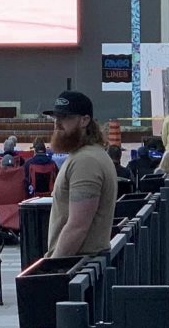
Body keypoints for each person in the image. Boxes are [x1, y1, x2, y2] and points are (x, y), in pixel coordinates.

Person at [43, 91, 118, 261]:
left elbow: (78, 226)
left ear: (84, 120)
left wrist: (53, 268)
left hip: (78, 265)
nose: (57, 124)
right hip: (81, 264)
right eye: (55, 118)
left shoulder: (86, 161)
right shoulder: (87, 155)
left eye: (65, 117)